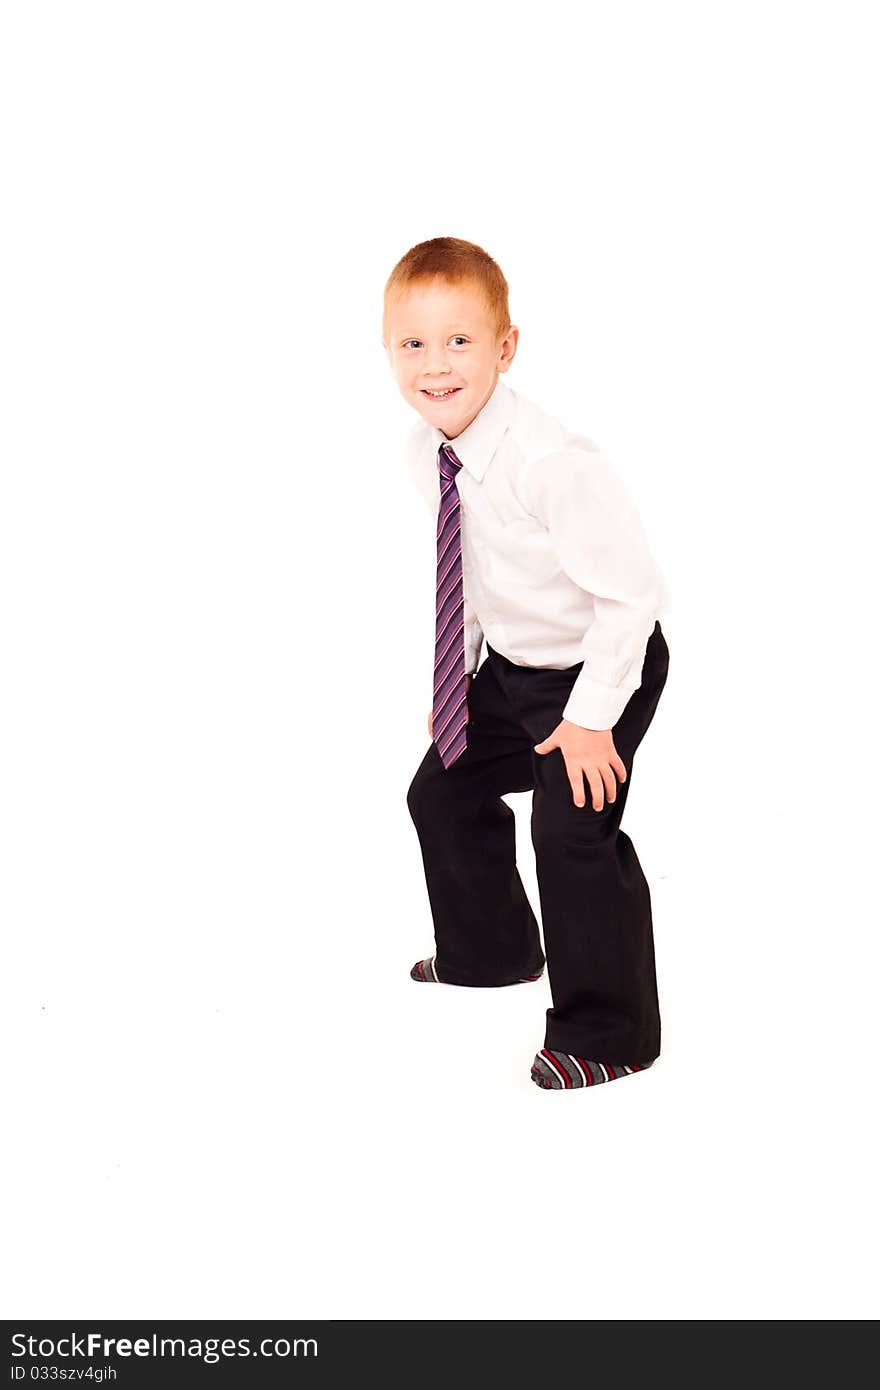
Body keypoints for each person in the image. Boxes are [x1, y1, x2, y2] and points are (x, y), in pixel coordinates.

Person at [382, 237, 671, 1091]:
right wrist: (458, 686)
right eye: (413, 344)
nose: (436, 365)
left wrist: (590, 720)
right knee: (441, 788)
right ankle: (495, 950)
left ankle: (611, 1033)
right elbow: (473, 571)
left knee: (571, 828)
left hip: (597, 670)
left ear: (506, 347)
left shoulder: (551, 463)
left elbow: (631, 600)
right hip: (512, 666)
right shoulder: (429, 447)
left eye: (460, 341)